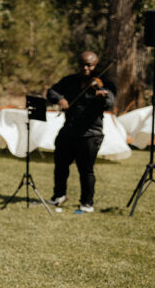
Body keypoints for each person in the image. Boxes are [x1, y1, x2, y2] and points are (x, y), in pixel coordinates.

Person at [45, 51, 116, 213]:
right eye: (83, 64)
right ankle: (59, 195)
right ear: (78, 64)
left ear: (95, 65)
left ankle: (86, 203)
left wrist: (102, 96)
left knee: (86, 170)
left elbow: (110, 101)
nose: (85, 68)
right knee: (61, 165)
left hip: (90, 133)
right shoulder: (70, 80)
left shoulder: (104, 83)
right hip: (69, 129)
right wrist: (60, 99)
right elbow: (51, 92)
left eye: (89, 65)